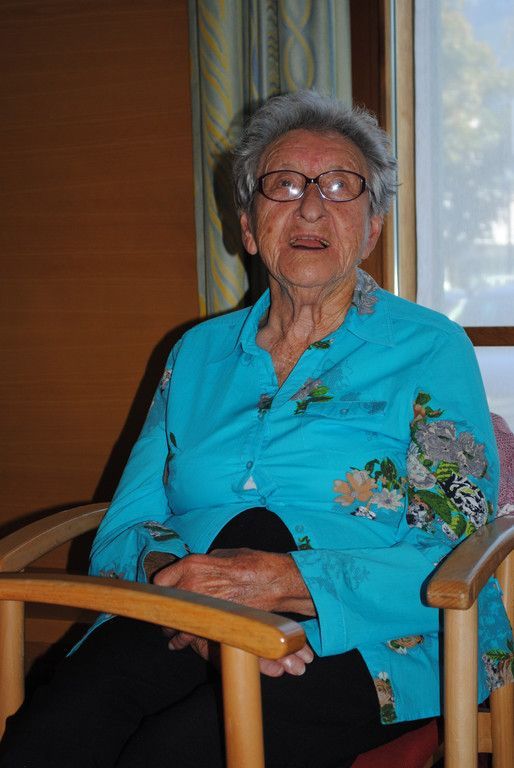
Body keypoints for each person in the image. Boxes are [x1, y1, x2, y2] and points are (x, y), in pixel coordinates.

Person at [1, 90, 512, 768]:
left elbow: (452, 554)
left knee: (175, 751)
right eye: (284, 185)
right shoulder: (195, 355)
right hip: (176, 621)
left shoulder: (430, 349)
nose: (311, 207)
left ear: (372, 228)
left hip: (374, 635)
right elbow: (124, 530)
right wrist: (188, 591)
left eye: (340, 185)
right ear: (248, 227)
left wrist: (281, 581)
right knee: (55, 734)